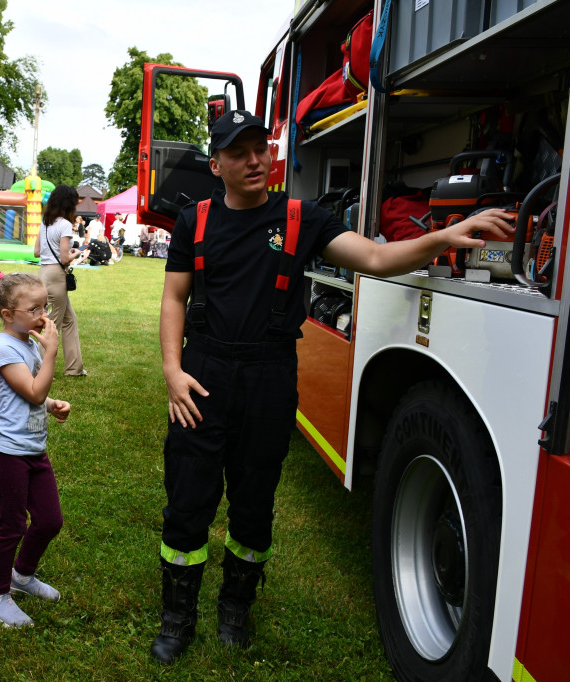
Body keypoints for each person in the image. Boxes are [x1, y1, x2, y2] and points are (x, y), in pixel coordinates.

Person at [150, 110, 515, 664]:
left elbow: (373, 257)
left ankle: (235, 609)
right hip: (203, 374)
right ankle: (177, 618)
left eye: (261, 148)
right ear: (218, 163)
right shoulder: (193, 222)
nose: (255, 160)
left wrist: (446, 235)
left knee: (253, 504)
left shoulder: (303, 218)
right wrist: (174, 373)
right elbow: (174, 298)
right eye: (240, 152)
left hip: (269, 377)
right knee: (188, 500)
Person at [0, 271, 72, 627]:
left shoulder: (28, 342)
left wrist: (52, 404)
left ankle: (22, 576)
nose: (43, 316)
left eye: (45, 307)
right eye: (34, 309)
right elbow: (33, 391)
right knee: (12, 525)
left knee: (49, 520)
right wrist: (52, 353)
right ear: (8, 314)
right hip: (6, 454)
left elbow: (31, 396)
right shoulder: (2, 348)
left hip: (33, 450)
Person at [34, 184, 87, 377]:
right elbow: (64, 258)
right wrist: (77, 253)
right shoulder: (64, 224)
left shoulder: (44, 222)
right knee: (51, 325)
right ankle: (37, 369)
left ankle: (74, 367)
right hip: (57, 275)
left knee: (70, 320)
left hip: (43, 274)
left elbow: (36, 252)